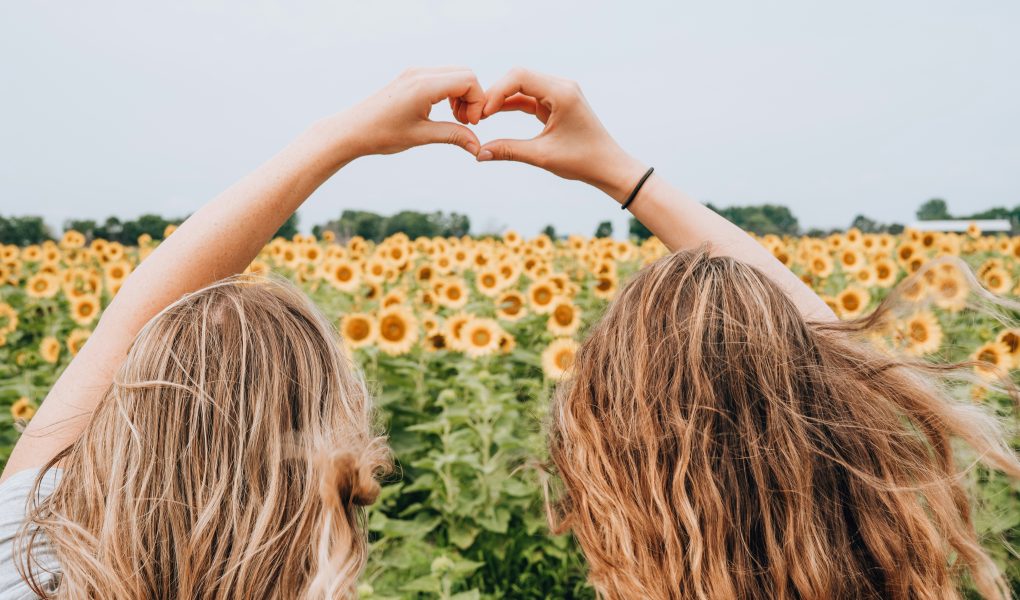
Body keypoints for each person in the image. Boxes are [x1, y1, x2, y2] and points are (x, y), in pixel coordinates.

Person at [469, 68, 1020, 599]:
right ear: (835, 441)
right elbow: (831, 354)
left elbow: (830, 354)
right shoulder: (876, 572)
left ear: (616, 481)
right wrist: (618, 169)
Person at [0, 66, 490, 599]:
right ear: (326, 482)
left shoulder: (25, 562)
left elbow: (120, 330)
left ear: (121, 437)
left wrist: (336, 137)